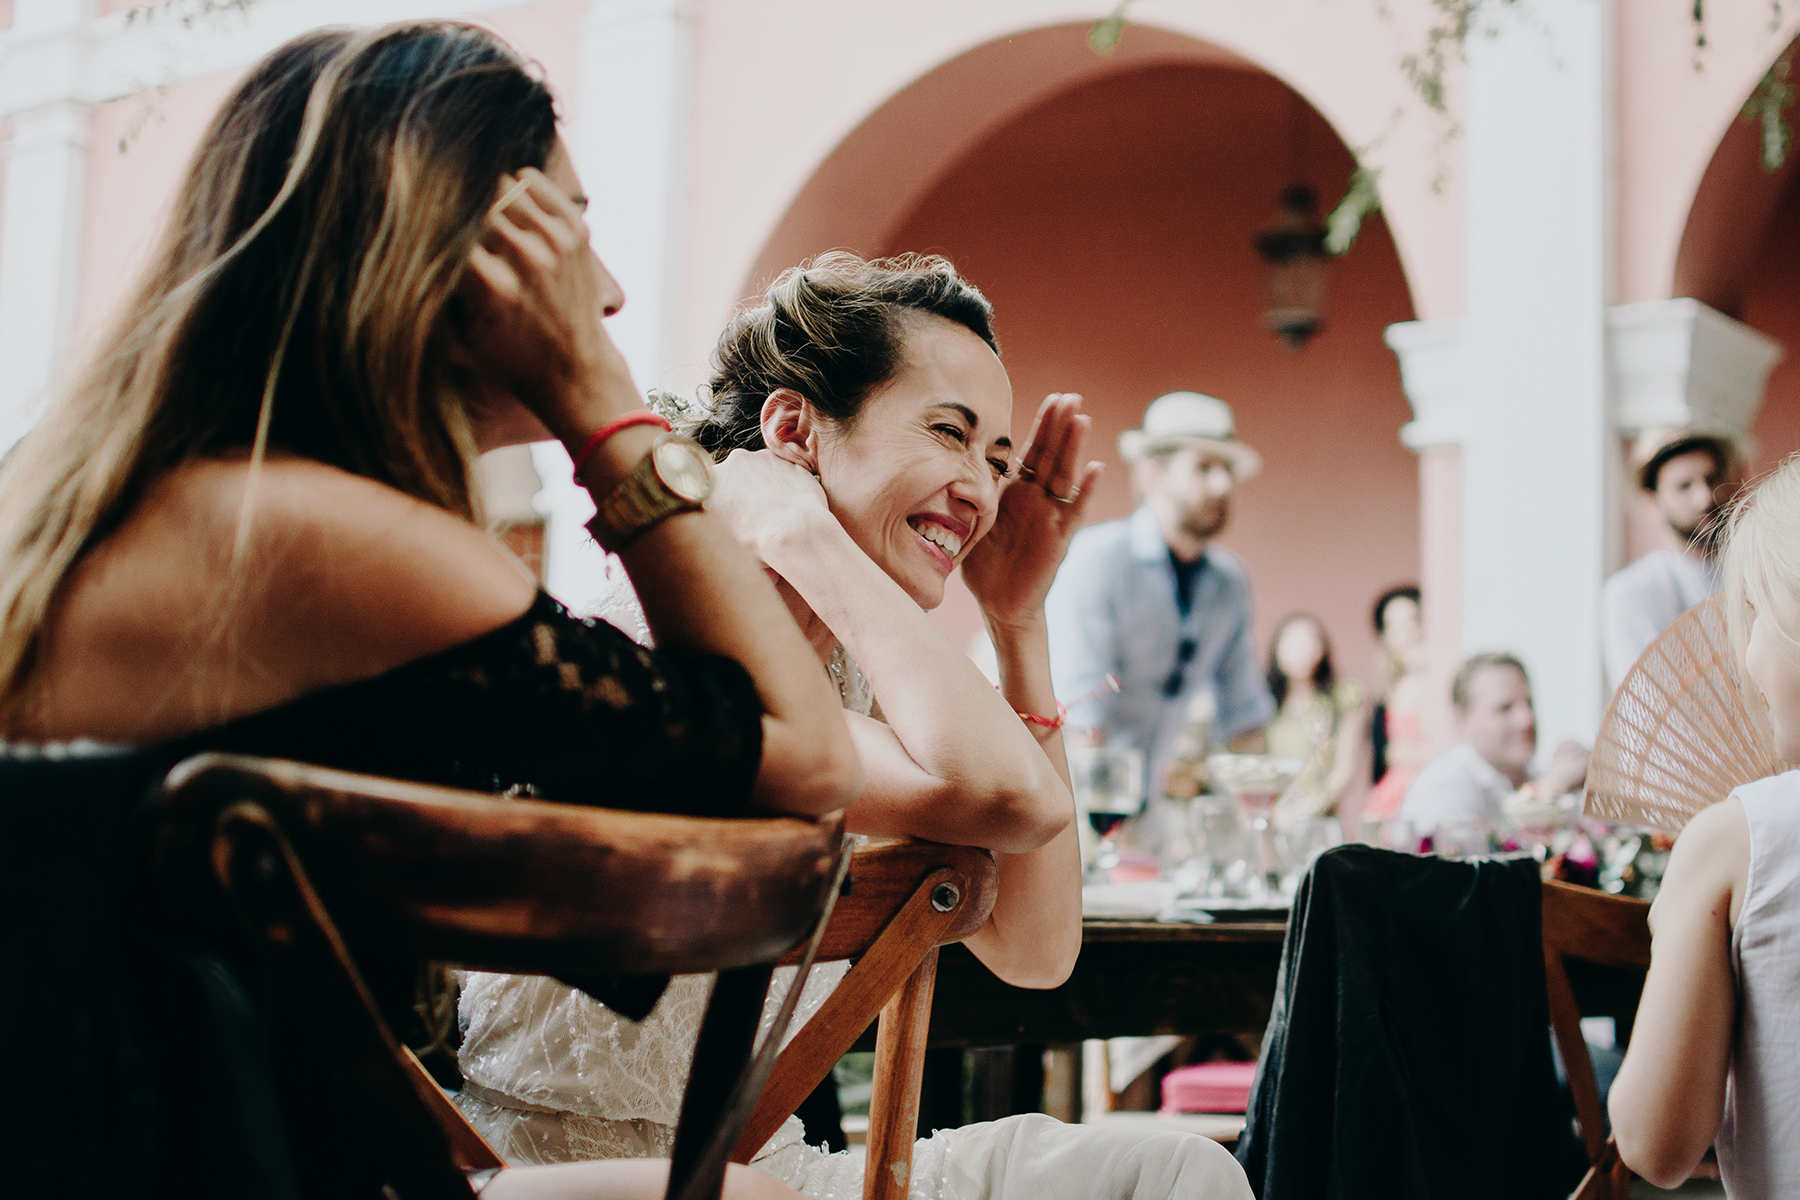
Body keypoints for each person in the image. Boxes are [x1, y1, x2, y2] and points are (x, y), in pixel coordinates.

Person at [0, 22, 867, 1200]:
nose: (605, 292)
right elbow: (804, 760)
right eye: (571, 237)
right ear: (459, 258)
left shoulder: (145, 493)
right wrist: (605, 407)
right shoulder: (327, 540)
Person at [453, 255, 1254, 1200]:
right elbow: (1003, 794)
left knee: (1173, 1172)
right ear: (793, 429)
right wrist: (803, 533)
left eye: (998, 460)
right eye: (949, 435)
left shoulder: (861, 679)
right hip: (572, 1172)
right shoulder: (662, 642)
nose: (982, 491)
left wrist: (1016, 615)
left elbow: (1038, 952)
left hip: (772, 1172)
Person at [1608, 454, 1800, 1196]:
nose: (1742, 656)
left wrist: (1679, 913)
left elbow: (1656, 1146)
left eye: (1749, 616)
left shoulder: (1738, 838)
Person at [1045, 391, 1275, 819]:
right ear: (1152, 476)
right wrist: (1110, 830)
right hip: (1067, 803)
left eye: (1228, 469)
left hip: (1147, 806)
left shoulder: (1230, 583)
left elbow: (1245, 718)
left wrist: (1262, 827)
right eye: (1204, 467)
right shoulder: (1098, 560)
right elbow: (1082, 714)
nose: (1223, 485)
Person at [1397, 653, 1589, 838]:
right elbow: (1481, 867)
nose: (1526, 719)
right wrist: (1546, 792)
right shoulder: (1443, 787)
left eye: (1529, 703)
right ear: (1461, 721)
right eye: (1504, 708)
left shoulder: (1529, 776)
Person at [1601, 428, 1731, 689]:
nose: (1705, 497)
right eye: (1684, 486)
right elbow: (1647, 703)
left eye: (1711, 479)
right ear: (1652, 502)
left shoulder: (1748, 575)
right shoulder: (1632, 591)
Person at [1262, 613, 1366, 825]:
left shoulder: (1343, 697)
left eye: (1310, 641)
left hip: (1322, 820)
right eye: (1293, 642)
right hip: (1274, 820)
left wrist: (1307, 810)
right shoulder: (1263, 705)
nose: (1302, 650)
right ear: (1277, 650)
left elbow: (1344, 770)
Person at [1364, 585, 1427, 820]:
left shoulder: (1431, 681)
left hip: (1419, 788)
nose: (1404, 633)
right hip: (1392, 793)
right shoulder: (1389, 685)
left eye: (1412, 621)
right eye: (1393, 626)